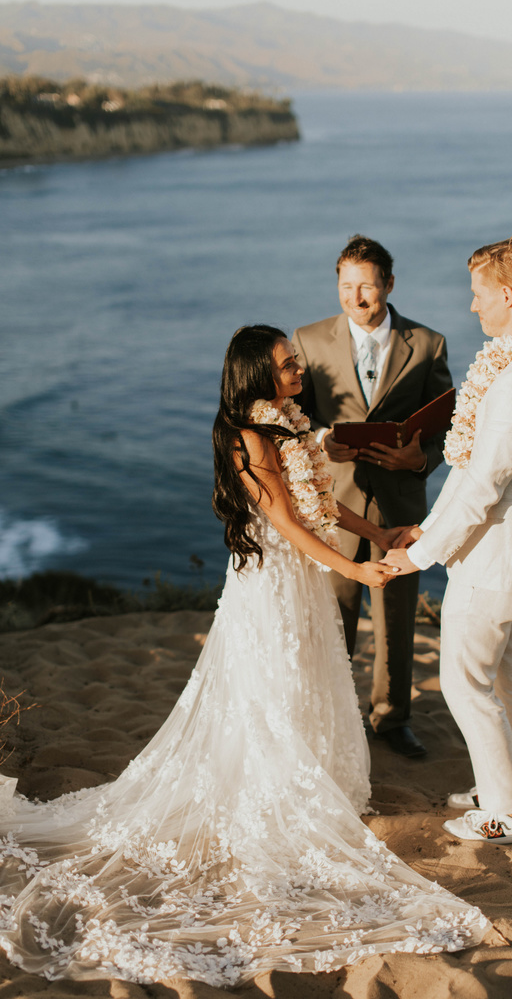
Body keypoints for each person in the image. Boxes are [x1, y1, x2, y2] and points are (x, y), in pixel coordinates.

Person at [0, 325, 487, 987]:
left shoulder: (288, 425)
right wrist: (357, 569)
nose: (297, 372)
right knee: (274, 686)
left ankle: (314, 781)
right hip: (273, 584)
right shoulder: (246, 435)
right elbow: (284, 519)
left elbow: (320, 500)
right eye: (286, 366)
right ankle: (277, 795)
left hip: (305, 577)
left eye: (295, 363)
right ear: (255, 373)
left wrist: (376, 533)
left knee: (311, 679)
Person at [383, 235, 512, 844]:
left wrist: (419, 554)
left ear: (509, 295)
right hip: (506, 552)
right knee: (510, 674)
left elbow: (483, 485)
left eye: (479, 294)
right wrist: (428, 528)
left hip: (494, 557)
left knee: (465, 681)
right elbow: (468, 474)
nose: (472, 307)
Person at [293, 235, 452, 757]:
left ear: (388, 284)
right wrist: (323, 443)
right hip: (334, 506)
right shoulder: (309, 340)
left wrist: (420, 458)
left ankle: (391, 718)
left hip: (401, 506)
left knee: (397, 619)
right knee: (334, 619)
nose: (356, 298)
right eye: (346, 286)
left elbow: (452, 426)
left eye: (366, 286)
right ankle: (334, 717)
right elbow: (296, 423)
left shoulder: (428, 344)